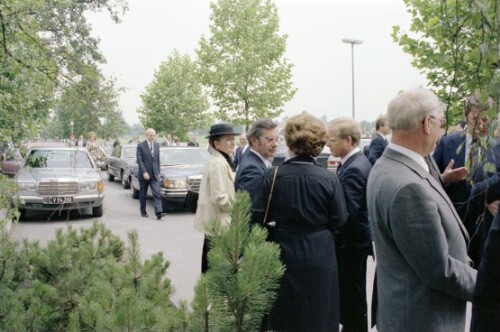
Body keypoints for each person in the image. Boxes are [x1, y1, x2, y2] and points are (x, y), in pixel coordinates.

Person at [367, 88, 477, 331]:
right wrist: (489, 285)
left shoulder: (390, 165)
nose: (442, 130)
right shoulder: (408, 187)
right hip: (424, 320)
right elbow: (440, 270)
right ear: (427, 123)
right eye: (441, 123)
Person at [251, 113, 348, 332]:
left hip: (283, 251)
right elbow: (341, 220)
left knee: (286, 315)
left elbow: (257, 217)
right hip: (320, 253)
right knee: (319, 314)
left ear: (289, 141)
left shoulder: (273, 175)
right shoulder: (329, 178)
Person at [433, 92, 500, 265]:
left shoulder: (498, 148)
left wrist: (487, 197)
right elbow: (428, 180)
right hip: (452, 227)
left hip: (485, 231)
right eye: (475, 119)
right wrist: (443, 178)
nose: (480, 125)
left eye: (486, 120)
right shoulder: (447, 143)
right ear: (466, 115)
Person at [327, 117, 372, 332]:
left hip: (350, 248)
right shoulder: (355, 163)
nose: (328, 144)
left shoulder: (354, 168)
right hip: (355, 246)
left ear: (348, 140)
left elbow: (348, 215)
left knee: (352, 303)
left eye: (332, 140)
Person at [194, 123, 240, 273]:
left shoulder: (219, 160)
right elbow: (219, 197)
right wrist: (239, 208)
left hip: (217, 226)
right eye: (228, 139)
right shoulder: (218, 163)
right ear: (216, 143)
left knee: (211, 270)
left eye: (233, 139)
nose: (233, 142)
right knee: (215, 272)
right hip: (219, 227)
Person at [235, 118, 279, 201]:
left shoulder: (256, 162)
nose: (275, 144)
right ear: (254, 141)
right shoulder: (252, 170)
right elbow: (251, 211)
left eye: (277, 139)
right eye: (270, 139)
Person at [136, 128, 164, 220]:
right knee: (143, 193)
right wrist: (144, 172)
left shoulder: (157, 145)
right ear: (147, 135)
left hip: (154, 174)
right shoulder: (140, 145)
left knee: (156, 193)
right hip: (144, 175)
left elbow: (157, 160)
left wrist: (158, 172)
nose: (152, 137)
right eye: (151, 135)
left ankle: (159, 212)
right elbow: (139, 160)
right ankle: (143, 211)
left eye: (154, 135)